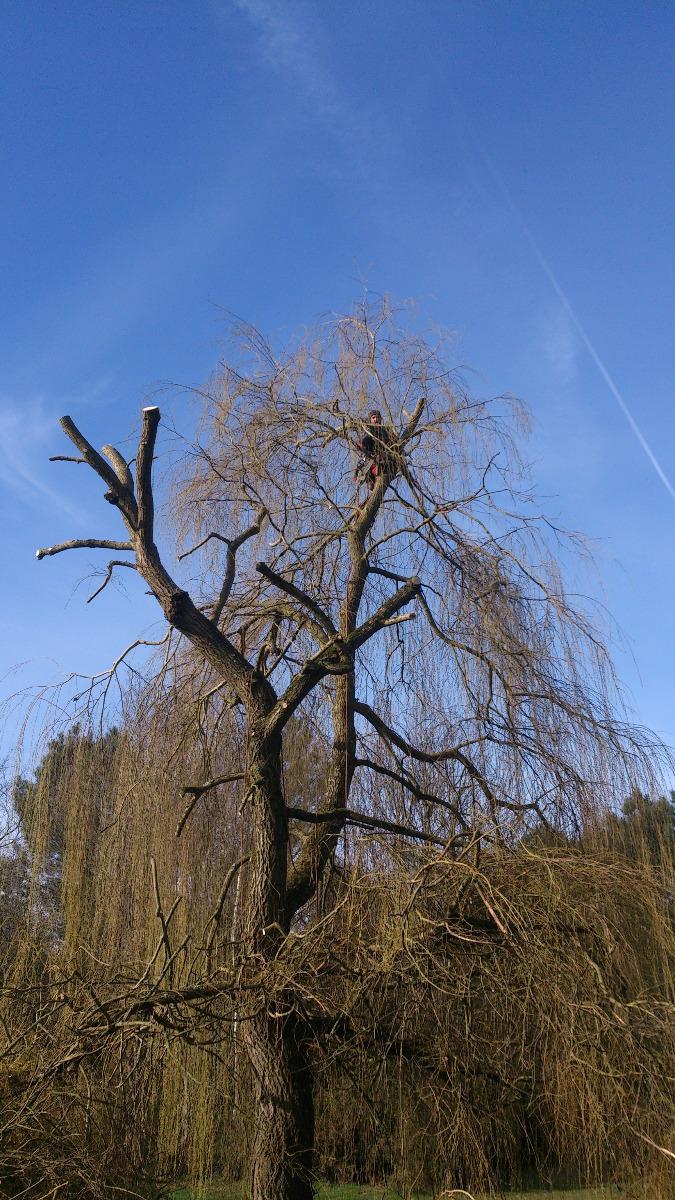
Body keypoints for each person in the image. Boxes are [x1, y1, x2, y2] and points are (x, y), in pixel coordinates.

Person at [354, 409, 391, 494]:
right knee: (370, 485)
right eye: (373, 418)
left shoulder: (386, 431)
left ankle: (377, 469)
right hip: (371, 458)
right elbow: (364, 444)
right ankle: (370, 477)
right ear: (370, 420)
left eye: (377, 417)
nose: (375, 419)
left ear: (380, 419)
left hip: (384, 457)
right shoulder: (368, 432)